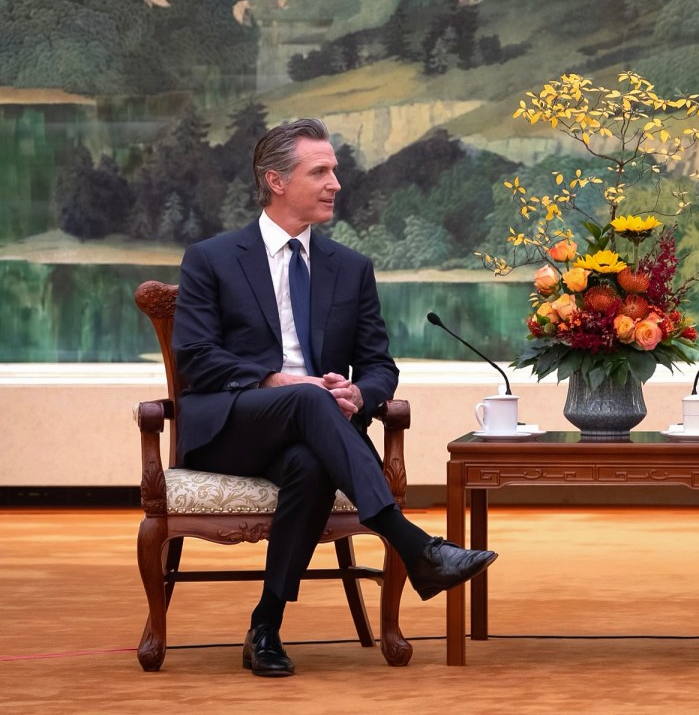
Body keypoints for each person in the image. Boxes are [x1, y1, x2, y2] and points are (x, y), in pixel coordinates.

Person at [172, 118, 497, 677]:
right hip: (231, 426)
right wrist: (277, 381)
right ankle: (413, 544)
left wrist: (357, 392)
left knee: (310, 461)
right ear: (276, 180)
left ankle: (265, 627)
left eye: (334, 170)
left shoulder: (350, 268)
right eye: (319, 171)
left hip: (315, 433)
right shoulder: (212, 258)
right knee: (306, 400)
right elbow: (196, 358)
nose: (335, 183)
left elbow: (379, 366)